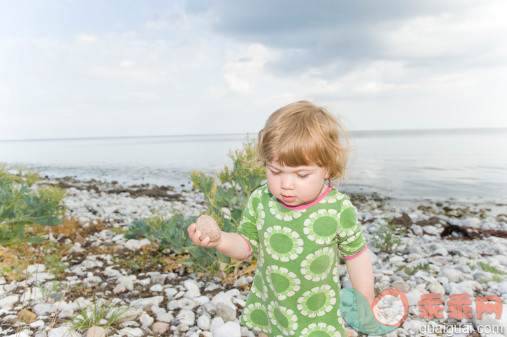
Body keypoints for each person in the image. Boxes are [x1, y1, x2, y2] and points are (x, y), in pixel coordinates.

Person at [187, 101, 374, 337]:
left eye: (302, 174)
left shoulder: (337, 208)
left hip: (317, 310)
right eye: (275, 171)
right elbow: (245, 246)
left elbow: (356, 256)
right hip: (272, 305)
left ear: (326, 169)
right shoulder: (261, 200)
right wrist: (220, 240)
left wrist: (365, 302)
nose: (286, 184)